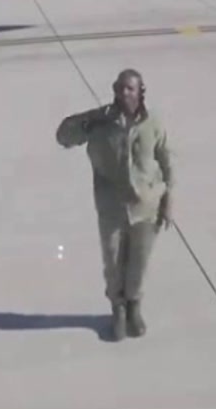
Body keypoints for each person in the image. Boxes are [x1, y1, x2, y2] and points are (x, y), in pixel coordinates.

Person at [57, 68, 174, 341]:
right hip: (111, 208)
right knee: (113, 263)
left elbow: (167, 161)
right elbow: (64, 137)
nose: (124, 93)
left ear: (140, 92)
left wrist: (168, 201)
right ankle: (117, 309)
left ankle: (134, 306)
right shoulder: (101, 123)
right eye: (120, 88)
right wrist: (90, 119)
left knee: (138, 264)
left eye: (130, 88)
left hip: (146, 207)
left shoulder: (153, 123)